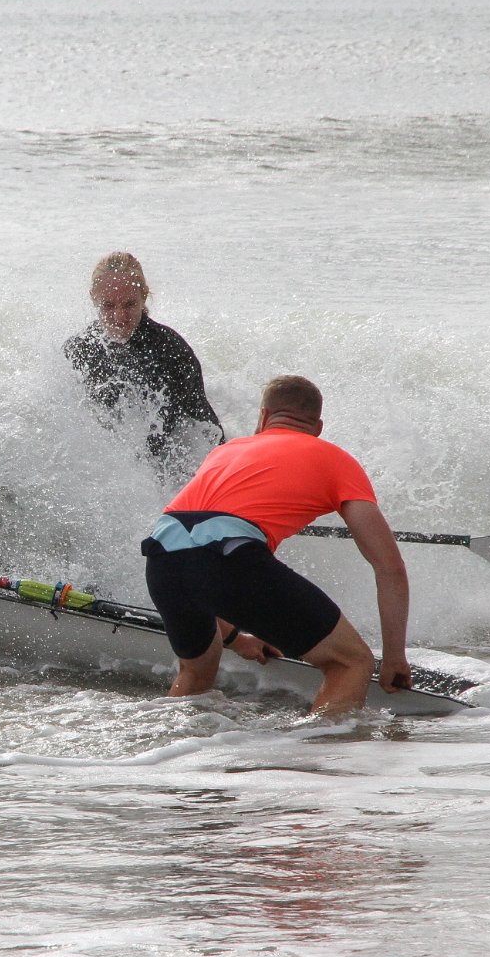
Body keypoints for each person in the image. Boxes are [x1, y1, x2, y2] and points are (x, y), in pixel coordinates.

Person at [141, 375, 410, 717]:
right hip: (229, 556)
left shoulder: (226, 452)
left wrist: (237, 638)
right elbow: (390, 567)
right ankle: (322, 757)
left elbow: (197, 561)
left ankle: (165, 755)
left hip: (162, 554)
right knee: (351, 661)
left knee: (196, 671)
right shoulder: (337, 460)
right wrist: (395, 658)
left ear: (264, 417)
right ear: (318, 427)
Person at [63, 251, 223, 479]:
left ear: (144, 296)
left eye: (129, 304)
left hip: (168, 475)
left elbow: (209, 431)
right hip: (101, 477)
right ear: (93, 299)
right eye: (108, 306)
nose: (119, 316)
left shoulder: (172, 351)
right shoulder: (78, 350)